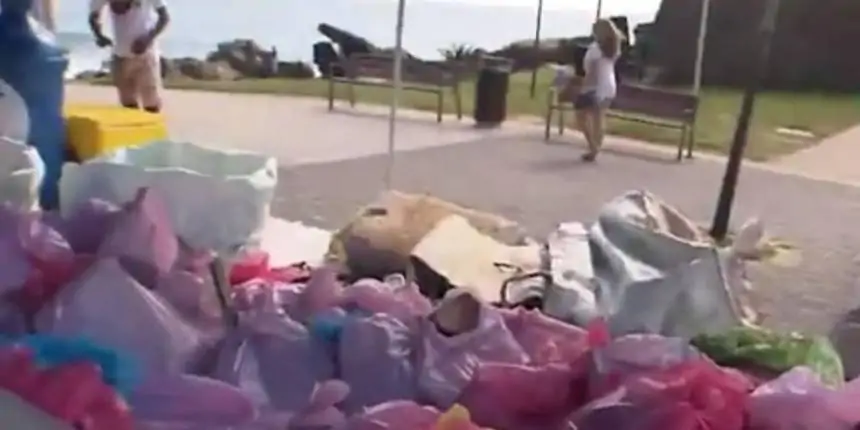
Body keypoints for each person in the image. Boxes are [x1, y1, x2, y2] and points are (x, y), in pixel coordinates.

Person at [88, 0, 170, 113]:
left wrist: (147, 39)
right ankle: (133, 129)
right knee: (127, 102)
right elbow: (93, 16)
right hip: (120, 54)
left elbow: (164, 17)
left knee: (151, 101)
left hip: (146, 54)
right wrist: (99, 35)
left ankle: (151, 129)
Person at [574, 18, 624, 162]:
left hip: (595, 86)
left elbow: (592, 72)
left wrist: (584, 87)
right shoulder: (613, 48)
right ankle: (596, 147)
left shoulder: (595, 49)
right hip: (609, 85)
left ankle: (593, 146)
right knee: (599, 118)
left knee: (580, 116)